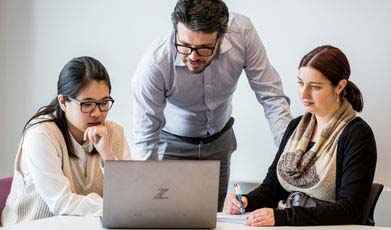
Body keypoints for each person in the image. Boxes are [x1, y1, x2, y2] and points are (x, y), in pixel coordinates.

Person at [131, 0, 292, 211]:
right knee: (166, 216)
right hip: (171, 144)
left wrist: (291, 154)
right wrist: (144, 200)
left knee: (211, 218)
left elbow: (271, 95)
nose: (193, 57)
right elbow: (145, 137)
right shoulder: (154, 64)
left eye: (204, 48)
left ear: (221, 37)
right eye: (185, 46)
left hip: (219, 141)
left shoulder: (241, 32)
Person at [224, 45, 377, 226]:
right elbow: (272, 188)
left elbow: (350, 210)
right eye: (300, 83)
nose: (304, 93)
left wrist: (283, 217)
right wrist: (245, 201)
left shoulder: (357, 134)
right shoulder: (296, 126)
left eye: (315, 87)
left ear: (340, 86)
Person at [1, 56, 130, 226]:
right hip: (31, 225)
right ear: (63, 102)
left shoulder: (113, 132)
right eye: (87, 104)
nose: (98, 113)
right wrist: (117, 208)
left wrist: (107, 154)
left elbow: (129, 198)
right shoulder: (41, 134)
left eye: (104, 102)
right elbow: (61, 202)